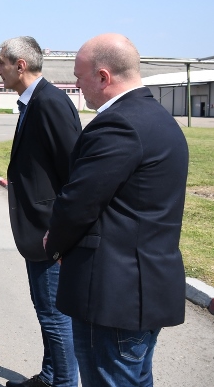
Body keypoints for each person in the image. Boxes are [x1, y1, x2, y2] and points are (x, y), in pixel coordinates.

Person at [44, 33, 189, 387]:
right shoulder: (158, 118)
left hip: (114, 295)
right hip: (141, 289)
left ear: (103, 77)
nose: (76, 85)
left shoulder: (120, 124)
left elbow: (79, 201)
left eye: (79, 77)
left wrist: (55, 244)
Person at [0, 37, 81, 387]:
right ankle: (50, 377)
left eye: (1, 63)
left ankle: (63, 383)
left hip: (50, 233)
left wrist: (61, 234)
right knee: (47, 312)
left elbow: (75, 172)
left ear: (20, 66)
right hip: (40, 231)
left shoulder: (49, 103)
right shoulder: (34, 102)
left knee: (55, 317)